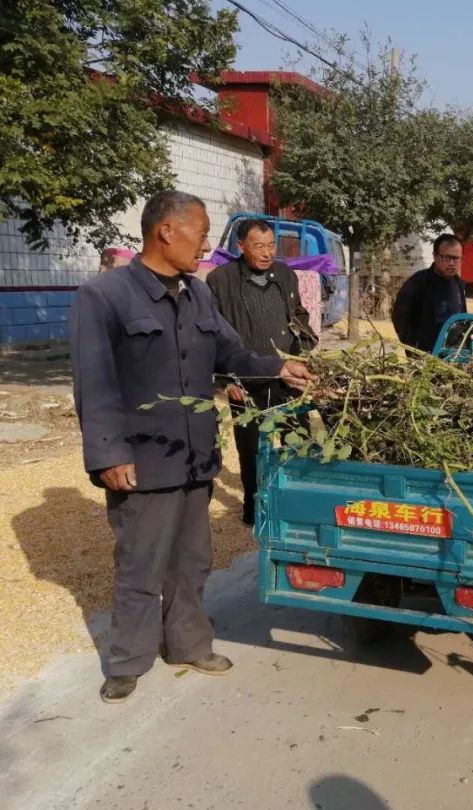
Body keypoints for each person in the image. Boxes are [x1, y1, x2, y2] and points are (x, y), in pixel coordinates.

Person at [70, 190, 311, 704]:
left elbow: (230, 351)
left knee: (192, 559)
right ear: (166, 231)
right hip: (143, 459)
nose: (206, 242)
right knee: (140, 563)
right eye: (200, 232)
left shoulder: (197, 294)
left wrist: (277, 366)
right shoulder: (105, 296)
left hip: (194, 455)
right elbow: (95, 382)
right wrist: (109, 453)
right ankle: (128, 660)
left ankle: (188, 644)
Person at [206, 218, 317, 526]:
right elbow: (213, 335)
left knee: (297, 440)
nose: (267, 253)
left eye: (271, 245)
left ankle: (297, 504)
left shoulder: (284, 274)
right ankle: (255, 507)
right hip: (247, 379)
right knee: (252, 448)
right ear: (241, 247)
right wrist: (227, 380)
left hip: (290, 375)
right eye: (259, 246)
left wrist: (306, 351)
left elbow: (299, 315)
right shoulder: (220, 280)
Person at [391, 234, 468, 353]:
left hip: (453, 355)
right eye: (447, 258)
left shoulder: (459, 284)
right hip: (424, 356)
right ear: (435, 256)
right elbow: (400, 318)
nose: (452, 263)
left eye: (456, 258)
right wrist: (414, 349)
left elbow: (463, 318)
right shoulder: (417, 283)